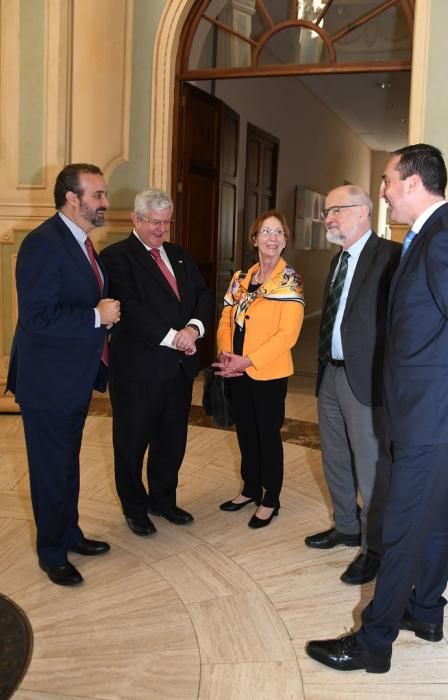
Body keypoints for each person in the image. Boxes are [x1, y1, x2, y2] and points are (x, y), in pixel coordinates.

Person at [306, 143, 448, 673]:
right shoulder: (427, 235)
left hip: (429, 414)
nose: (384, 190)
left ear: (413, 182)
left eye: (388, 180)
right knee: (435, 522)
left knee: (401, 527)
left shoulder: (440, 235)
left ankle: (373, 643)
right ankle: (427, 611)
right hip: (427, 412)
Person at [6, 163, 121, 586]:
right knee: (51, 469)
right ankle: (51, 551)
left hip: (71, 377)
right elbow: (37, 318)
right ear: (72, 198)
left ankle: (69, 533)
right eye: (98, 195)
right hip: (47, 382)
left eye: (104, 194)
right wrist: (96, 315)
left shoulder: (81, 243)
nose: (105, 203)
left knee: (66, 464)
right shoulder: (43, 243)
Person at [99, 187, 211, 536]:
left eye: (167, 222)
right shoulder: (116, 256)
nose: (161, 230)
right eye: (154, 223)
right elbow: (129, 308)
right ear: (135, 218)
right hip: (137, 370)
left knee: (171, 439)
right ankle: (135, 507)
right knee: (132, 443)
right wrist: (173, 338)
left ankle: (164, 499)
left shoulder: (179, 255)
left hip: (178, 368)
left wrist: (193, 329)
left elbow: (202, 295)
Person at [304, 185, 401, 585]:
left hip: (366, 377)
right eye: (327, 211)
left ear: (362, 212)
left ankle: (373, 548)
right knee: (335, 456)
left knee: (371, 467)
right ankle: (346, 525)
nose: (328, 218)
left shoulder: (391, 257)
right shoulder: (337, 260)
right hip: (330, 372)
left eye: (336, 210)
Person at [214, 209, 304, 528]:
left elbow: (287, 335)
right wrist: (226, 354)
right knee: (245, 432)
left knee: (267, 434)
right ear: (254, 240)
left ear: (285, 241)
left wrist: (248, 360)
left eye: (279, 232)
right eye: (266, 231)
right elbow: (226, 318)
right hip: (236, 370)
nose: (273, 237)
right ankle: (250, 488)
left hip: (267, 371)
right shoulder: (241, 278)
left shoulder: (289, 280)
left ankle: (271, 498)